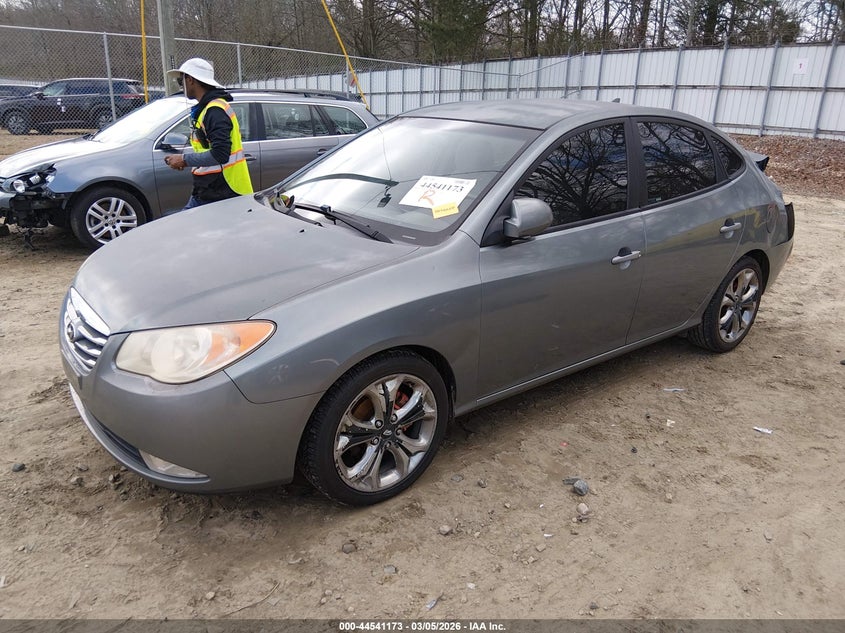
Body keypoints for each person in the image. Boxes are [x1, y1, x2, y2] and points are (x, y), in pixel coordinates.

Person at [163, 58, 252, 209]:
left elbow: (220, 154)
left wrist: (184, 160)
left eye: (180, 81)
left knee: (184, 227)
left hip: (223, 190)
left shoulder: (215, 111)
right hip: (210, 188)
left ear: (190, 80)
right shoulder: (207, 110)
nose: (181, 86)